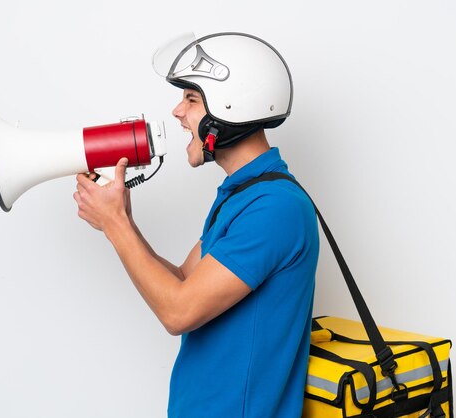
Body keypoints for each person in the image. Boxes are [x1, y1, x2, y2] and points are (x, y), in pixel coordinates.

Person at [73, 32, 319, 418]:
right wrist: (120, 220)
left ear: (231, 106)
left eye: (190, 99)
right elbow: (184, 282)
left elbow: (178, 312)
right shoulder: (244, 194)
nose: (177, 112)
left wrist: (116, 223)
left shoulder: (275, 208)